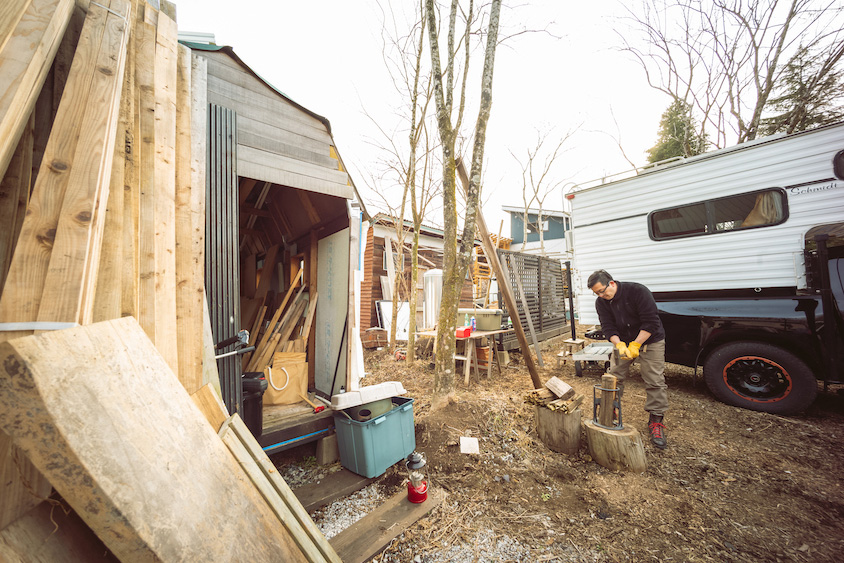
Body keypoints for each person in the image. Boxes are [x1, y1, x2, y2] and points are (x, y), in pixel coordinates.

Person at [587, 270, 668, 449]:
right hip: (623, 340)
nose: (601, 295)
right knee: (614, 376)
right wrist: (620, 345)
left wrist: (636, 345)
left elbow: (651, 322)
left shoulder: (638, 292)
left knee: (654, 379)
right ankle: (610, 410)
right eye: (597, 293)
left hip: (650, 339)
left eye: (602, 291)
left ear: (612, 283)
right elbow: (608, 327)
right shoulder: (601, 302)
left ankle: (656, 421)